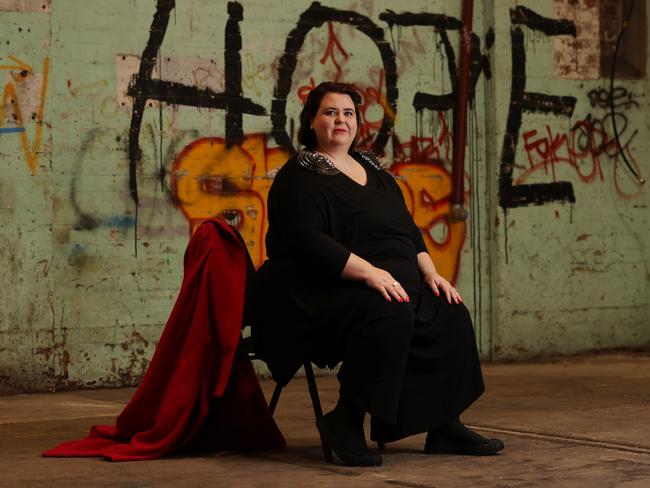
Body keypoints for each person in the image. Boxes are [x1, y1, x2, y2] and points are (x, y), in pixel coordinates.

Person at [250, 81, 503, 466]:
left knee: (447, 308)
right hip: (321, 289)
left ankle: (442, 423)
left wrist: (432, 273)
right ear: (312, 121)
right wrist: (369, 272)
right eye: (330, 112)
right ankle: (346, 418)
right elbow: (304, 240)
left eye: (348, 113)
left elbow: (406, 228)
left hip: (386, 281)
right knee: (390, 310)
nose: (341, 120)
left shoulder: (373, 169)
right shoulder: (299, 175)